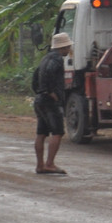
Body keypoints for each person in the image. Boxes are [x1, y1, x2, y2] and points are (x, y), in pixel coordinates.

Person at [33, 32, 73, 175]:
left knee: (41, 132)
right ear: (63, 47)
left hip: (40, 100)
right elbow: (48, 75)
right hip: (49, 101)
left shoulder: (45, 58)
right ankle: (49, 163)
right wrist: (51, 93)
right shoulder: (56, 60)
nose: (69, 50)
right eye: (68, 47)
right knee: (57, 132)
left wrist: (40, 91)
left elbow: (35, 76)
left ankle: (40, 165)